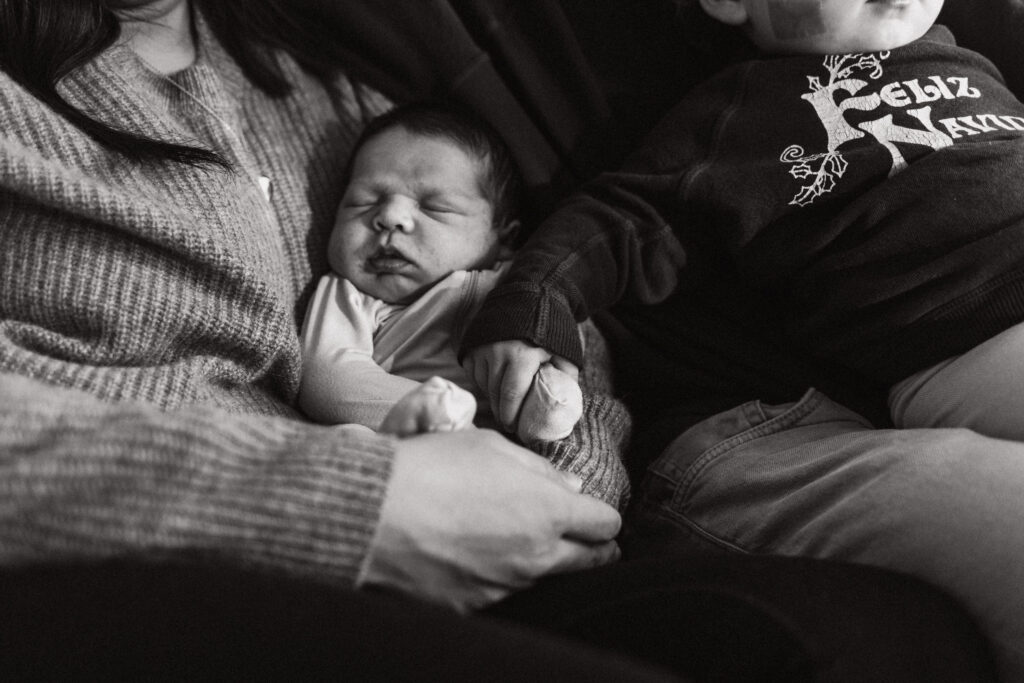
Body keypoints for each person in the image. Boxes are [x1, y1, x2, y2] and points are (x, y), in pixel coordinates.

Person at [0, 0, 999, 680]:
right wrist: (350, 505)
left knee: (889, 639)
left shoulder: (313, 75)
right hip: (137, 549)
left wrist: (565, 479)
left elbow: (497, 293)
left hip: (481, 525)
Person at [461, 0, 1024, 679]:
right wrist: (534, 302)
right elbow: (624, 219)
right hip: (965, 339)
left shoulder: (970, 60)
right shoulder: (740, 113)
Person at [299, 103, 584, 445]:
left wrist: (550, 395)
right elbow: (327, 379)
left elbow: (560, 341)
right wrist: (436, 411)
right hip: (405, 444)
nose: (391, 216)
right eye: (362, 202)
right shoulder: (349, 295)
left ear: (505, 239)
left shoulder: (519, 289)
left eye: (434, 207)